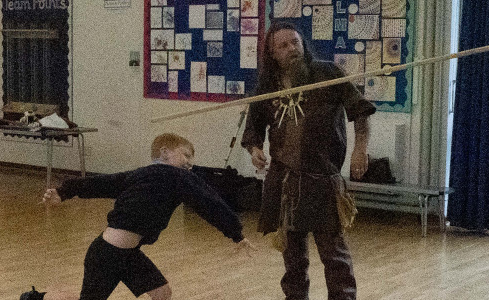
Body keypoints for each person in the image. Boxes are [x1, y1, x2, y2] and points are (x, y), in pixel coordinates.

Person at [21, 133, 258, 300]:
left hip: (127, 254)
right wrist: (236, 234)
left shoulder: (148, 176)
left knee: (162, 293)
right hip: (106, 255)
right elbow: (211, 203)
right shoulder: (172, 176)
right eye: (186, 155)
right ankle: (36, 298)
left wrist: (65, 192)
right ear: (165, 153)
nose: (190, 164)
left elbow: (208, 204)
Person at [241, 22, 376, 300]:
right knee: (293, 261)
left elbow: (360, 110)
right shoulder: (267, 86)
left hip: (322, 180)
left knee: (334, 257)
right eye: (283, 45)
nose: (292, 49)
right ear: (272, 54)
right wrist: (255, 150)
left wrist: (360, 149)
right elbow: (253, 128)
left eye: (295, 42)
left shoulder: (327, 73)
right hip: (284, 182)